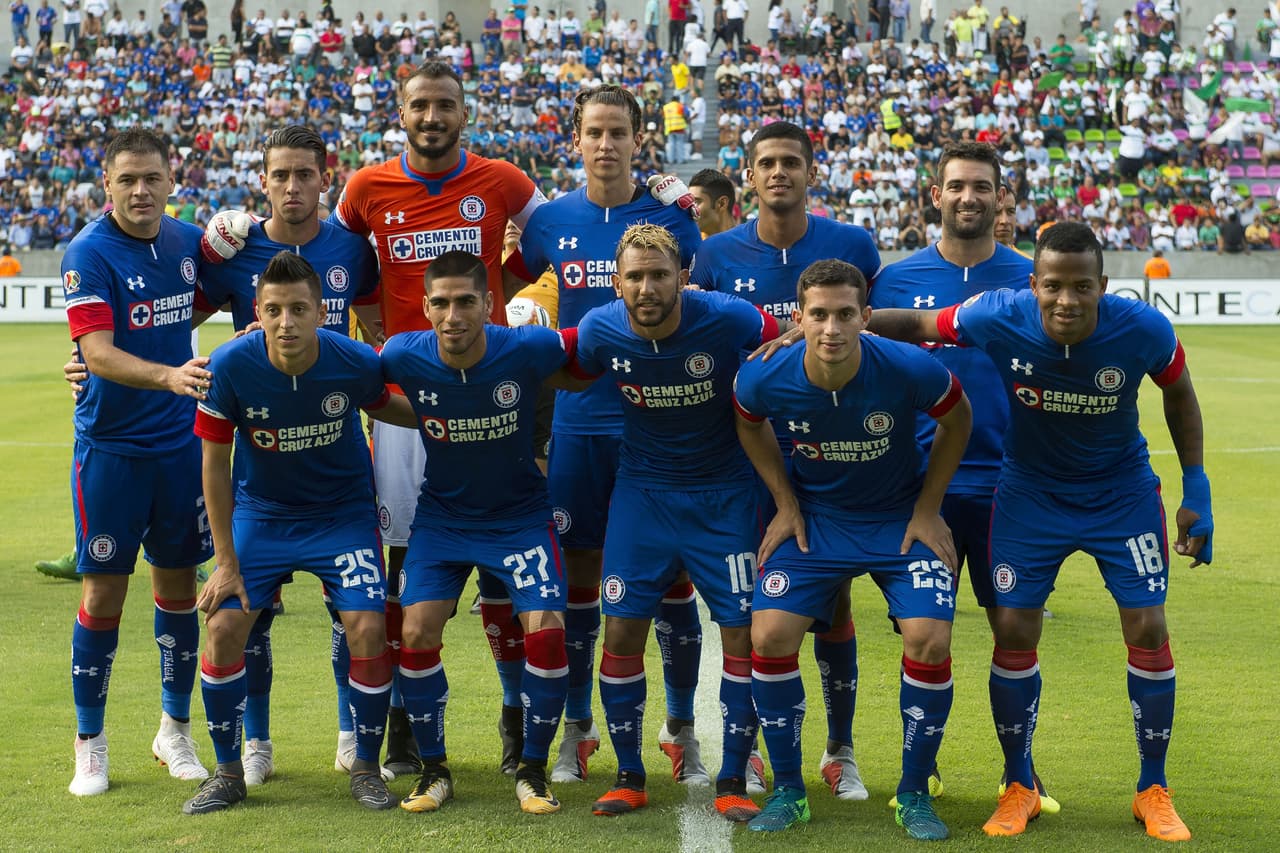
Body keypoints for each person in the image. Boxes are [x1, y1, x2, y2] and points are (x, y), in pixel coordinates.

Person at [867, 221, 1211, 843]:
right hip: (1029, 496)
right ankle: (1020, 785)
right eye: (1053, 285)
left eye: (1082, 286)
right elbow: (918, 324)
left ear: (1103, 285)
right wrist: (836, 325)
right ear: (1034, 284)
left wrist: (1197, 486)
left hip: (1121, 495)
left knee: (1148, 626)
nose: (1066, 300)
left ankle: (1152, 789)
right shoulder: (999, 313)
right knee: (1015, 630)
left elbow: (1179, 393)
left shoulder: (1144, 328)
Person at [329, 61, 547, 778]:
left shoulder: (501, 180)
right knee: (402, 568)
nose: (432, 117)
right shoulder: (365, 188)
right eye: (420, 105)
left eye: (444, 105)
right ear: (401, 112)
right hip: (404, 402)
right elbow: (338, 262)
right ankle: (404, 722)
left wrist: (497, 288)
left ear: (463, 113)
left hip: (488, 396)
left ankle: (515, 715)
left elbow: (557, 236)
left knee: (501, 570)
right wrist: (372, 322)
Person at [504, 85, 705, 786]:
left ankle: (681, 726)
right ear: (577, 139)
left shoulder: (671, 219)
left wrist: (689, 208)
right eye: (594, 131)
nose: (606, 143)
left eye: (619, 132)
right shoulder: (549, 221)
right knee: (579, 580)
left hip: (660, 422)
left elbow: (700, 290)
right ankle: (578, 728)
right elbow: (509, 285)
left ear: (638, 139)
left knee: (674, 576)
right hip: (580, 424)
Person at [734, 258, 972, 836]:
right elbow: (748, 422)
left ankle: (913, 793)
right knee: (768, 634)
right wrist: (786, 503)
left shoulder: (909, 366)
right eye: (819, 315)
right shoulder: (764, 375)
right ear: (798, 318)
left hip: (899, 521)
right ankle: (790, 791)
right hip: (818, 521)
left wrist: (928, 508)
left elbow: (959, 420)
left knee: (930, 639)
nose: (832, 328)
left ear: (866, 316)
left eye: (845, 314)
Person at [691, 120, 882, 803]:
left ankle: (840, 750)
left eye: (791, 163)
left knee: (834, 600)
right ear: (748, 175)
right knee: (749, 608)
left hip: (831, 453)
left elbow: (875, 332)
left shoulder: (852, 245)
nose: (779, 173)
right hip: (742, 453)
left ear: (810, 172)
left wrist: (805, 330)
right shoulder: (714, 253)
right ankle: (749, 750)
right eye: (766, 162)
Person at [185, 252, 415, 815]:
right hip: (262, 515)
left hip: (342, 516)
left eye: (298, 310)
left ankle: (366, 767)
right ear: (257, 313)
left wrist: (463, 412)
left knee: (367, 627)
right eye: (273, 310)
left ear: (321, 312)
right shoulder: (231, 365)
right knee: (223, 627)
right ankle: (228, 773)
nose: (285, 322)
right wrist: (226, 562)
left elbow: (393, 406)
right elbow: (213, 466)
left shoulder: (353, 360)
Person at [868, 143, 1059, 814]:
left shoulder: (1034, 279)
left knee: (1016, 629)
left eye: (982, 186)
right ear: (936, 194)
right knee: (923, 634)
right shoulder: (895, 280)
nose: (969, 197)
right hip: (927, 490)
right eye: (956, 186)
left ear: (1000, 196)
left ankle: (1021, 774)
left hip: (1014, 488)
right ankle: (921, 771)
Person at [194, 125, 383, 785]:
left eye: (306, 174)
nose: (294, 186)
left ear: (324, 179)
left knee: (352, 616)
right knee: (242, 620)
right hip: (263, 480)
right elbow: (172, 316)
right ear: (264, 182)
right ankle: (253, 745)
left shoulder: (351, 249)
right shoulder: (233, 249)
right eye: (281, 175)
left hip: (337, 475)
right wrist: (86, 359)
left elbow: (379, 328)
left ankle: (352, 738)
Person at [571, 223, 779, 822]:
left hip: (725, 497)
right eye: (635, 277)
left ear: (683, 278)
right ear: (617, 283)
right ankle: (629, 775)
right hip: (643, 497)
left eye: (659, 275)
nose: (647, 288)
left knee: (742, 635)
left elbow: (785, 341)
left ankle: (734, 775)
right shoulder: (599, 328)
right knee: (620, 632)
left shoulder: (727, 317)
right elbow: (564, 370)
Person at [379, 250, 583, 816]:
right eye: (441, 303)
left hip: (520, 518)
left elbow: (591, 356)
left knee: (546, 630)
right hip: (443, 519)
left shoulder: (527, 347)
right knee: (415, 628)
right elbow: (352, 379)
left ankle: (532, 770)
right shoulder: (402, 353)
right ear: (425, 307)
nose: (453, 316)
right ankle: (434, 769)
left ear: (489, 304)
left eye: (466, 301)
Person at [62, 128, 214, 796]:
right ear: (107, 184)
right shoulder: (88, 251)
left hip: (180, 448)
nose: (141, 190)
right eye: (127, 179)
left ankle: (173, 730)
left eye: (152, 177)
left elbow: (208, 302)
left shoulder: (188, 242)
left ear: (171, 180)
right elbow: (96, 352)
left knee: (178, 591)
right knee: (103, 593)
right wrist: (168, 375)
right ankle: (90, 742)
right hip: (112, 451)